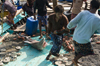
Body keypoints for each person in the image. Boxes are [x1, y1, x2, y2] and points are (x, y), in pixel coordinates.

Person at [67, 0, 100, 66]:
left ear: (90, 5)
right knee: (88, 51)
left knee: (77, 50)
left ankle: (75, 61)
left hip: (75, 36)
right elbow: (98, 30)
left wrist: (68, 27)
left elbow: (72, 22)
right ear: (98, 8)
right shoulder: (98, 18)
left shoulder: (83, 13)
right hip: (84, 40)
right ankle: (75, 60)